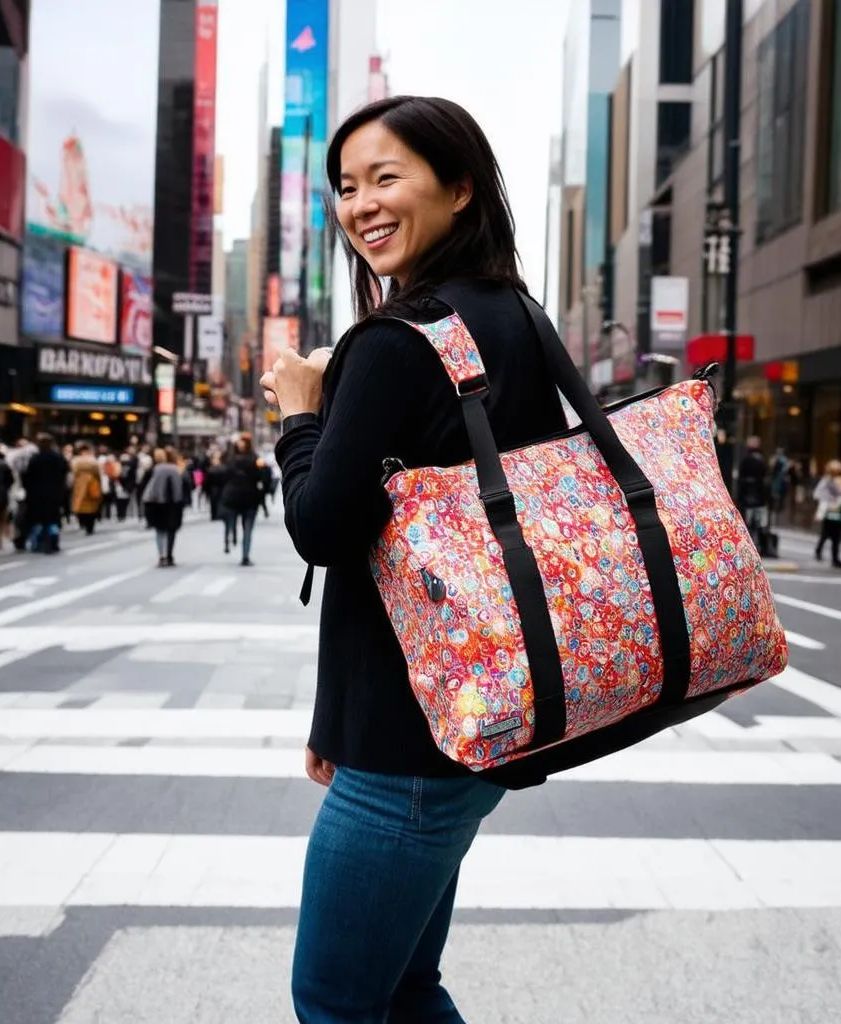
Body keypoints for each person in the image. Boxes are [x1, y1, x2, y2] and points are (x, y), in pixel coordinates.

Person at [261, 95, 572, 1023]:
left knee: (335, 1001)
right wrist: (336, 722)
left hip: (409, 747)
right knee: (403, 989)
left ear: (461, 187)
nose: (361, 206)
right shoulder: (516, 315)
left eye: (386, 177)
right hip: (478, 717)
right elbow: (410, 553)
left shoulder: (397, 342)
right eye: (347, 187)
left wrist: (298, 411)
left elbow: (323, 529)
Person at [22, 434, 69, 553]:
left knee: (38, 520)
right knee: (53, 520)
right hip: (54, 495)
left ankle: (38, 542)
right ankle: (54, 541)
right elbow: (64, 474)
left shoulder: (35, 458)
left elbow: (27, 477)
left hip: (37, 495)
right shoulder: (58, 458)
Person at [220, 435, 262, 565]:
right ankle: (245, 555)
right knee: (248, 528)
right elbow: (262, 477)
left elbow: (223, 476)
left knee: (232, 522)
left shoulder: (231, 461)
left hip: (233, 497)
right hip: (250, 498)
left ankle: (231, 539)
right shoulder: (255, 460)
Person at [143, 447, 184, 567]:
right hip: (171, 504)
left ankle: (162, 555)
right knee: (171, 530)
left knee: (159, 530)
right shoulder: (175, 470)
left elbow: (148, 488)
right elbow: (178, 489)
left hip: (156, 503)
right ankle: (169, 555)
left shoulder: (155, 469)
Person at [813, 459, 841, 568]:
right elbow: (838, 492)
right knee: (833, 535)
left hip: (834, 511)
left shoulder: (832, 480)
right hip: (832, 511)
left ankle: (821, 552)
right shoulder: (829, 481)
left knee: (828, 534)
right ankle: (834, 558)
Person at [71, 443, 104, 535]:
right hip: (91, 484)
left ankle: (84, 524)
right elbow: (98, 472)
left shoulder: (76, 461)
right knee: (90, 507)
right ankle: (89, 526)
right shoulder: (93, 461)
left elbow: (74, 471)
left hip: (81, 485)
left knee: (82, 505)